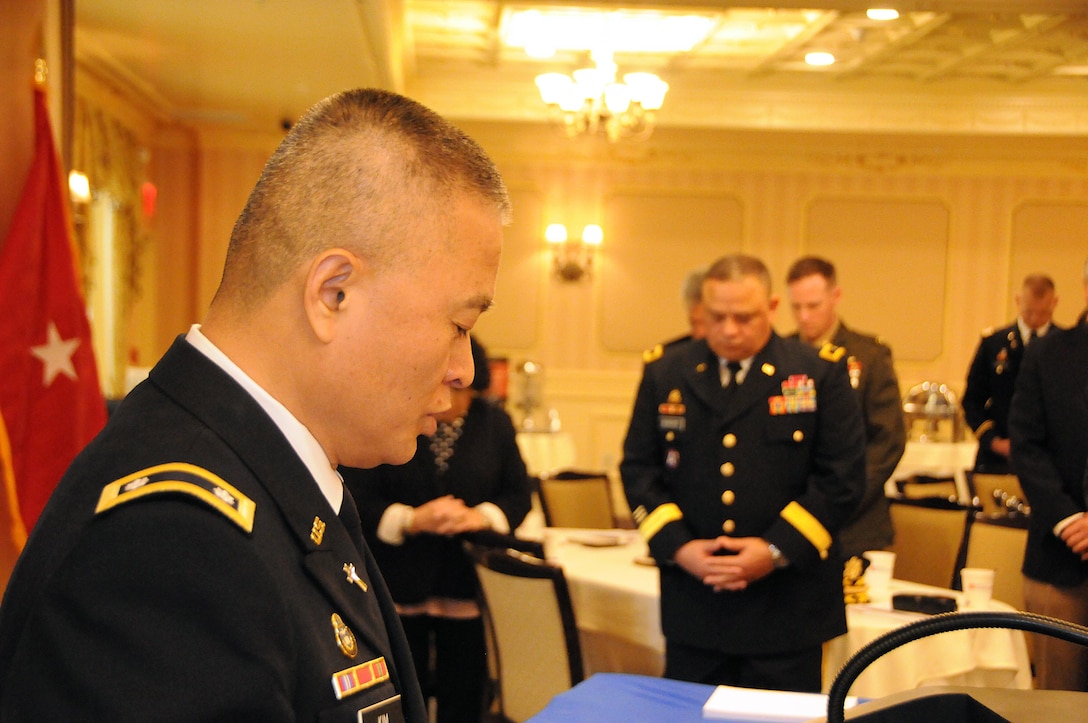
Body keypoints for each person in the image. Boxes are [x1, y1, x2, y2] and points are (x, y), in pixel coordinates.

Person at [0, 88, 511, 721]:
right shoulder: (175, 543)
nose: (464, 370)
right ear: (334, 294)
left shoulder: (265, 471)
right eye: (459, 324)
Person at [620, 253, 865, 693]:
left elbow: (841, 480)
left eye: (744, 317)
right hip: (696, 604)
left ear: (771, 308)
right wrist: (679, 548)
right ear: (701, 312)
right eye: (717, 317)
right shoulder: (666, 371)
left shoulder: (817, 373)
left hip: (788, 608)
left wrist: (773, 550)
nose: (730, 330)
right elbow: (639, 469)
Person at [340, 336, 532, 722]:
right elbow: (355, 494)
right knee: (402, 692)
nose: (453, 402)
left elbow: (518, 493)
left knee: (464, 693)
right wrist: (411, 520)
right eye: (447, 387)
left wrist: (483, 516)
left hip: (466, 580)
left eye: (465, 392)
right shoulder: (392, 414)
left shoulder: (494, 422)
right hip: (400, 578)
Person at [785, 256, 906, 558]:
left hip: (855, 525)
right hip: (789, 520)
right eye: (796, 307)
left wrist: (838, 497)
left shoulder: (869, 355)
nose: (804, 317)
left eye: (813, 306)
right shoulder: (782, 356)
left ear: (835, 297)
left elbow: (887, 441)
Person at [1008, 258, 1088, 691]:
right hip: (1060, 557)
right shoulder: (1049, 354)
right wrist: (1072, 520)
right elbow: (1027, 445)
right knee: (1059, 701)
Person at [964, 274, 1060, 474]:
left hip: (1051, 462)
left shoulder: (1066, 347)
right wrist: (993, 441)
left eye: (1042, 313)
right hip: (997, 459)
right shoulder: (994, 343)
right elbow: (972, 400)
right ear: (1018, 301)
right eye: (1029, 312)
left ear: (1054, 303)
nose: (1034, 319)